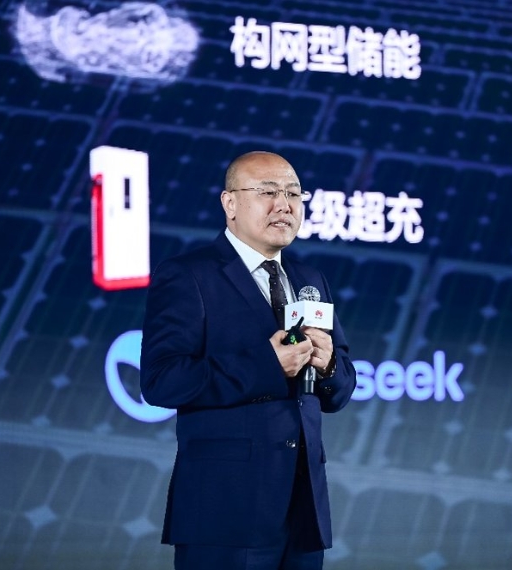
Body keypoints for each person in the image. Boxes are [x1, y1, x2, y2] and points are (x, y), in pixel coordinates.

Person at [140, 151, 356, 569]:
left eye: (293, 193)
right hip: (224, 510)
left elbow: (340, 389)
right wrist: (267, 365)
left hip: (302, 511)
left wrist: (328, 364)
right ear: (230, 203)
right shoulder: (189, 275)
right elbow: (162, 380)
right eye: (268, 192)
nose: (284, 205)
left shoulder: (310, 280)